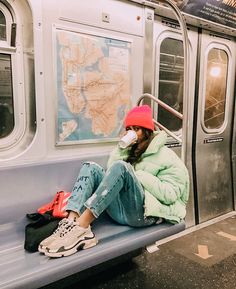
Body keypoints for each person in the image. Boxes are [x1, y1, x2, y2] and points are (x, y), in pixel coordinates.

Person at [39, 105, 189, 258]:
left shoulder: (167, 156)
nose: (132, 133)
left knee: (122, 167)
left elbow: (170, 195)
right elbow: (112, 174)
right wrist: (122, 149)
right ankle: (71, 223)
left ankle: (82, 229)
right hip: (120, 211)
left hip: (144, 214)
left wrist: (139, 175)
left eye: (136, 129)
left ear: (147, 131)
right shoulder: (130, 151)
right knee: (90, 167)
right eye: (129, 129)